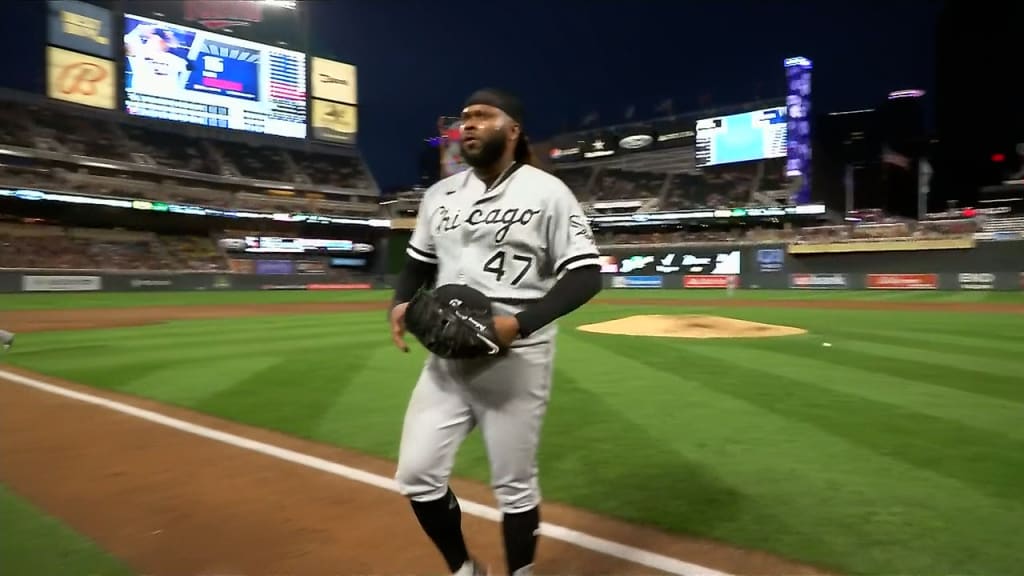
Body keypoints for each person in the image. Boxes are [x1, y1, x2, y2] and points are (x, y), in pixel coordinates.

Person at [389, 88, 603, 576]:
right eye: (464, 118)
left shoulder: (547, 192)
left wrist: (519, 323)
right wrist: (398, 304)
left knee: (514, 487)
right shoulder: (439, 195)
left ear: (513, 130)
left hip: (516, 359)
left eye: (482, 116)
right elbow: (416, 265)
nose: (468, 124)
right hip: (445, 360)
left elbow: (586, 274)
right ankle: (464, 569)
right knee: (417, 475)